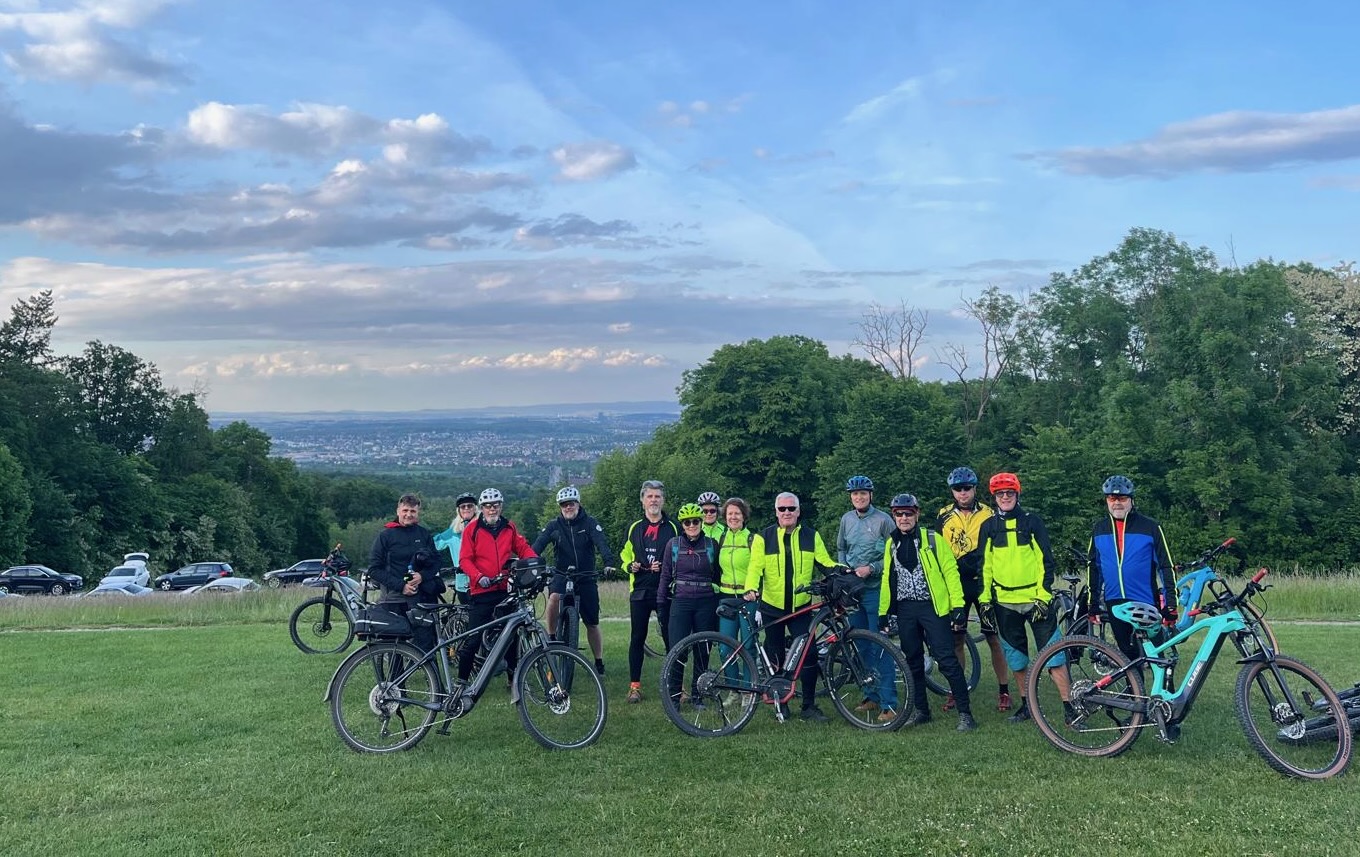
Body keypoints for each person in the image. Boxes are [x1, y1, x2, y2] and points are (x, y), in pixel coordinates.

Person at [977, 472, 1070, 723]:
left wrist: (1043, 596)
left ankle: (1070, 708)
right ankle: (1027, 705)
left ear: (1017, 495)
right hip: (1005, 603)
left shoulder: (1032, 522)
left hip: (1035, 600)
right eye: (1000, 494)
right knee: (1017, 658)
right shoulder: (988, 526)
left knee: (1054, 656)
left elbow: (1045, 561)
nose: (1005, 497)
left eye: (1009, 493)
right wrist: (985, 600)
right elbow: (984, 566)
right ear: (994, 497)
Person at [880, 493, 977, 731]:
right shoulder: (891, 543)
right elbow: (886, 578)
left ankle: (966, 714)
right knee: (912, 661)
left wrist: (957, 606)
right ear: (894, 516)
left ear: (917, 514)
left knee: (946, 660)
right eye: (899, 514)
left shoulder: (933, 539)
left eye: (908, 513)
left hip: (932, 607)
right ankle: (922, 710)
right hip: (905, 609)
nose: (903, 518)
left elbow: (951, 572)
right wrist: (883, 612)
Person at [743, 492, 841, 722]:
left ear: (798, 511)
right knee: (775, 654)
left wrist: (846, 570)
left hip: (800, 608)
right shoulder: (763, 537)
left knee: (809, 656)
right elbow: (755, 568)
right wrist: (750, 588)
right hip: (771, 606)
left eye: (791, 508)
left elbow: (826, 563)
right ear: (776, 512)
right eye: (782, 509)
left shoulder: (811, 535)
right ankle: (781, 702)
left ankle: (808, 706)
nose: (787, 513)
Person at [933, 465, 1012, 712]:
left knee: (992, 636)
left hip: (981, 582)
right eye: (958, 489)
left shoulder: (990, 513)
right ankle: (957, 690)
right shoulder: (943, 515)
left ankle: (1004, 690)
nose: (963, 493)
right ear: (952, 492)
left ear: (975, 489)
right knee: (957, 638)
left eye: (967, 488)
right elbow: (937, 550)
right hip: (955, 583)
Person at [1087, 475, 1176, 661]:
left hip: (1145, 600)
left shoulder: (1150, 527)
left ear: (1131, 500)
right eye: (1112, 498)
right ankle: (1135, 689)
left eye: (1122, 498)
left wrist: (1171, 605)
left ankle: (1166, 689)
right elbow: (1094, 568)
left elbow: (1166, 566)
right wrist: (1093, 604)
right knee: (1127, 656)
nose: (1117, 503)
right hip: (1115, 601)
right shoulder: (1099, 528)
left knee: (1158, 655)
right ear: (1106, 500)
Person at [533, 485, 617, 676]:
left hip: (585, 576)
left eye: (571, 503)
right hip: (562, 574)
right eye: (563, 505)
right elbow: (537, 545)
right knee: (554, 597)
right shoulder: (554, 525)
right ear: (560, 507)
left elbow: (601, 543)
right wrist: (530, 562)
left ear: (578, 503)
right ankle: (553, 637)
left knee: (592, 623)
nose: (567, 507)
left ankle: (598, 662)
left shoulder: (589, 523)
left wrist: (608, 563)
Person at [456, 488, 537, 685]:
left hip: (505, 589)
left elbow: (523, 548)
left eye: (496, 505)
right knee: (473, 639)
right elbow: (465, 559)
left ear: (501, 506)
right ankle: (461, 681)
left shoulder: (509, 527)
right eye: (487, 506)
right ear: (481, 508)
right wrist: (478, 576)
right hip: (481, 591)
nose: (492, 510)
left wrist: (535, 563)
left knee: (511, 636)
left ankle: (513, 679)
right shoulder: (472, 530)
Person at [835, 475, 896, 717]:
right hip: (854, 592)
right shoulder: (846, 519)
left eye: (863, 493)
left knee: (881, 646)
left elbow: (894, 553)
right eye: (854, 494)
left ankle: (889, 703)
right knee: (860, 645)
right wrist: (844, 569)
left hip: (876, 590)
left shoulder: (884, 520)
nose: (859, 497)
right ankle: (871, 695)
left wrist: (871, 568)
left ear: (870, 495)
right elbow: (841, 547)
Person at [619, 479, 679, 703]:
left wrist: (667, 567)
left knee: (670, 638)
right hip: (640, 591)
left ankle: (677, 685)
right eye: (650, 496)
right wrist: (630, 565)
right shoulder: (635, 527)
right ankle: (634, 687)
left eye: (658, 497)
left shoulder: (673, 527)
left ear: (663, 501)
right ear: (643, 500)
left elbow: (680, 554)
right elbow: (625, 554)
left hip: (665, 591)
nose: (654, 500)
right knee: (637, 638)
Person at [658, 502, 720, 704]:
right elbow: (665, 576)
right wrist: (660, 605)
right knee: (678, 650)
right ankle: (675, 696)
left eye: (695, 521)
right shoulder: (673, 545)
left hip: (706, 602)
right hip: (681, 602)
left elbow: (718, 576)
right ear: (682, 525)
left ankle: (698, 694)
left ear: (701, 522)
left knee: (703, 650)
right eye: (687, 522)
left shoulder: (711, 545)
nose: (691, 525)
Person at [368, 493, 444, 651]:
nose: (409, 514)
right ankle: (396, 676)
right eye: (405, 510)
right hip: (394, 599)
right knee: (395, 646)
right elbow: (374, 569)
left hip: (421, 598)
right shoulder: (385, 536)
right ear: (398, 511)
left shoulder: (423, 534)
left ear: (418, 512)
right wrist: (401, 586)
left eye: (413, 511)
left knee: (426, 644)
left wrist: (422, 576)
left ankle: (431, 675)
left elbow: (437, 561)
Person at [715, 497, 758, 675]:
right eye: (730, 513)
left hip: (747, 598)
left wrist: (752, 588)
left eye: (737, 513)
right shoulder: (721, 538)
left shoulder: (752, 539)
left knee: (748, 645)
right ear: (725, 516)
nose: (733, 517)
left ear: (744, 516)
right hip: (726, 596)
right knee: (725, 647)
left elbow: (758, 566)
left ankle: (750, 689)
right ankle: (733, 688)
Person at [433, 491, 478, 603]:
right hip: (463, 584)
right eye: (463, 506)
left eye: (470, 506)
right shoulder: (453, 532)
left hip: (482, 581)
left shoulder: (484, 528)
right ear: (459, 510)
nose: (466, 508)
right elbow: (432, 544)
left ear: (475, 508)